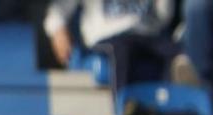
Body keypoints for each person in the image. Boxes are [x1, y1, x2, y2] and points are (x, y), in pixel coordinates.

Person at [44, 0, 196, 90]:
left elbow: (164, 17)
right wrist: (58, 31)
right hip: (107, 38)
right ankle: (123, 114)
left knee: (180, 53)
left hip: (146, 36)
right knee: (121, 52)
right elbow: (58, 11)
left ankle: (177, 114)